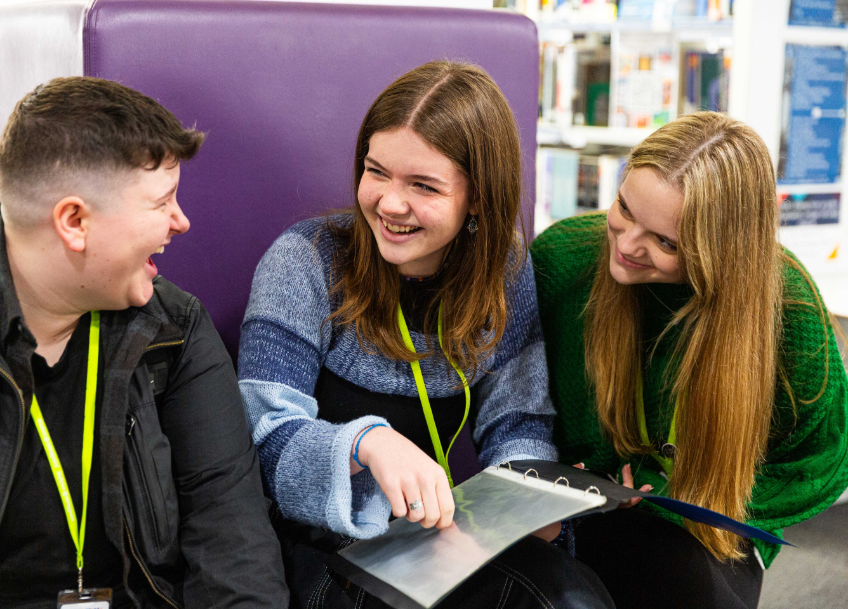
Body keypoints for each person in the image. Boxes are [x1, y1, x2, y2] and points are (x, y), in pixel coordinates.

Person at [238, 60, 613, 609]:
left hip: (438, 536)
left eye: (423, 186)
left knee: (571, 597)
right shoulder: (305, 261)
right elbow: (262, 439)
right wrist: (364, 444)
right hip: (321, 544)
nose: (390, 203)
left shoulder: (503, 268)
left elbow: (518, 420)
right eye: (377, 171)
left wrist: (530, 505)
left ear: (478, 200)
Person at [0, 77, 288, 608]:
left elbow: (232, 542)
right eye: (161, 202)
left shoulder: (175, 331)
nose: (181, 222)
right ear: (74, 221)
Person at [531, 111, 848, 609]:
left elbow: (820, 458)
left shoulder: (788, 307)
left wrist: (681, 499)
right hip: (582, 509)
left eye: (666, 242)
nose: (628, 244)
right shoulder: (560, 262)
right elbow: (517, 400)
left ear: (719, 250)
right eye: (625, 208)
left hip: (716, 523)